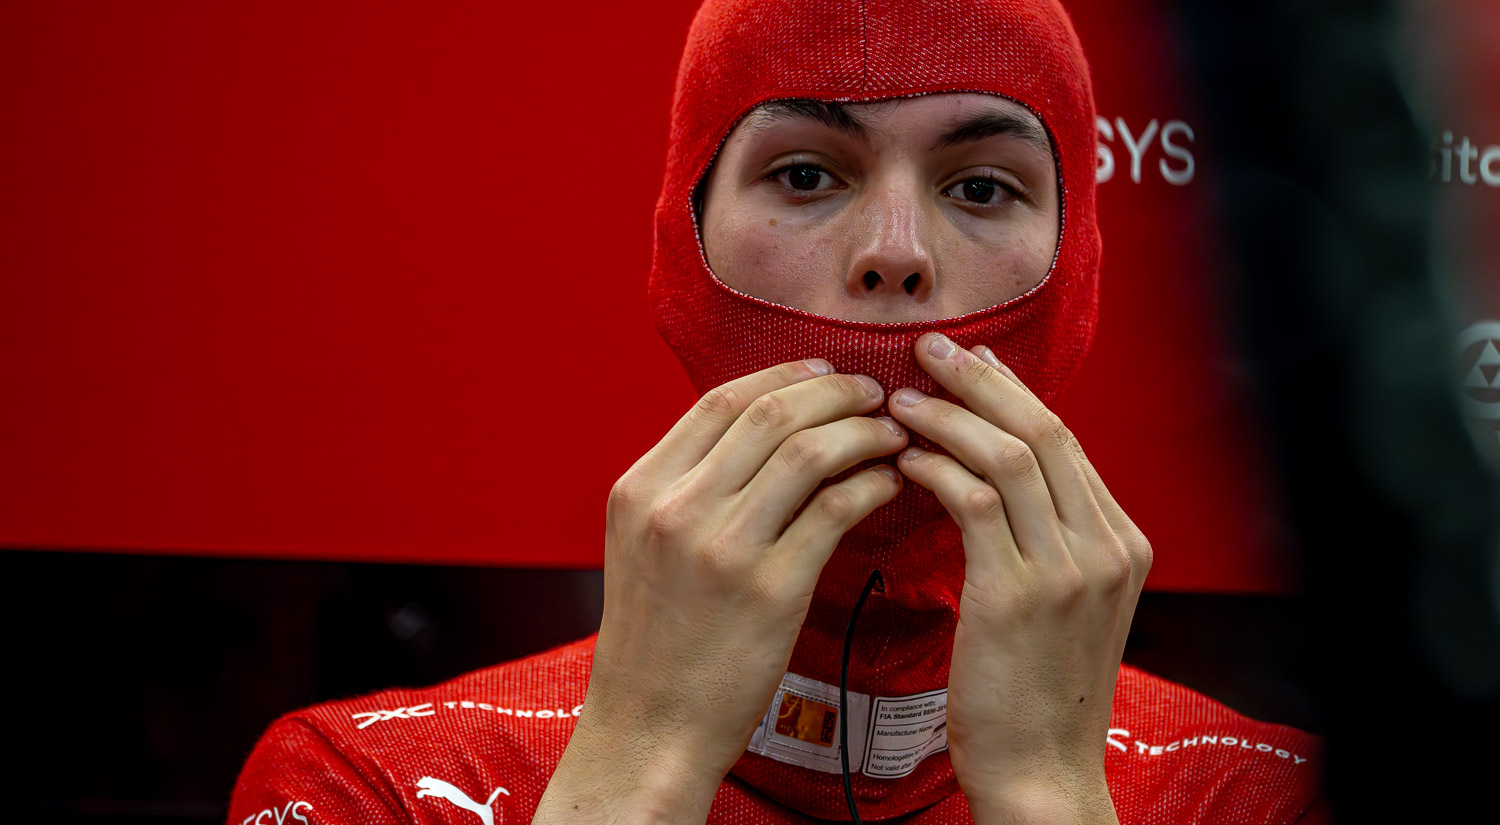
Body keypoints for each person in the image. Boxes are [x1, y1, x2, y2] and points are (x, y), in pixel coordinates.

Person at [228, 0, 1328, 822]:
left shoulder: (1255, 799)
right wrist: (638, 762)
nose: (894, 256)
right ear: (684, 246)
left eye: (982, 186)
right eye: (806, 175)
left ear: (1079, 269)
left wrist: (1045, 792)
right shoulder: (374, 787)